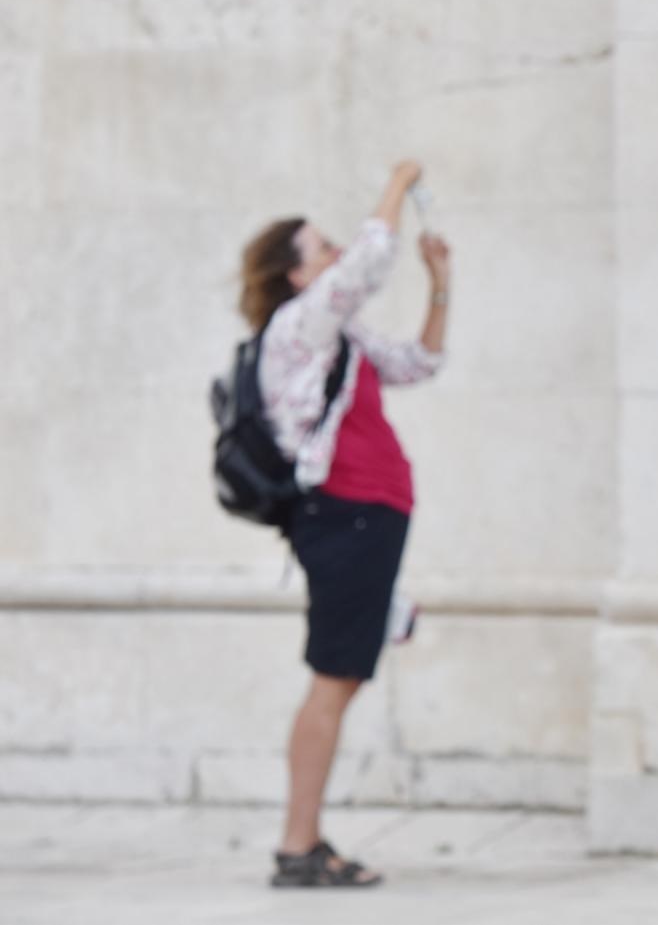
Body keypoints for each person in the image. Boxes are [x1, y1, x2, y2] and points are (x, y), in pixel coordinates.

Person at [236, 159, 452, 888]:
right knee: (333, 679)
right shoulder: (298, 327)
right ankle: (298, 846)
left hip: (368, 520)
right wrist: (398, 183)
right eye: (321, 249)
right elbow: (367, 260)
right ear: (296, 277)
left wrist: (439, 281)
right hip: (346, 519)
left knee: (342, 676)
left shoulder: (341, 343)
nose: (334, 256)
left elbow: (421, 361)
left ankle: (306, 841)